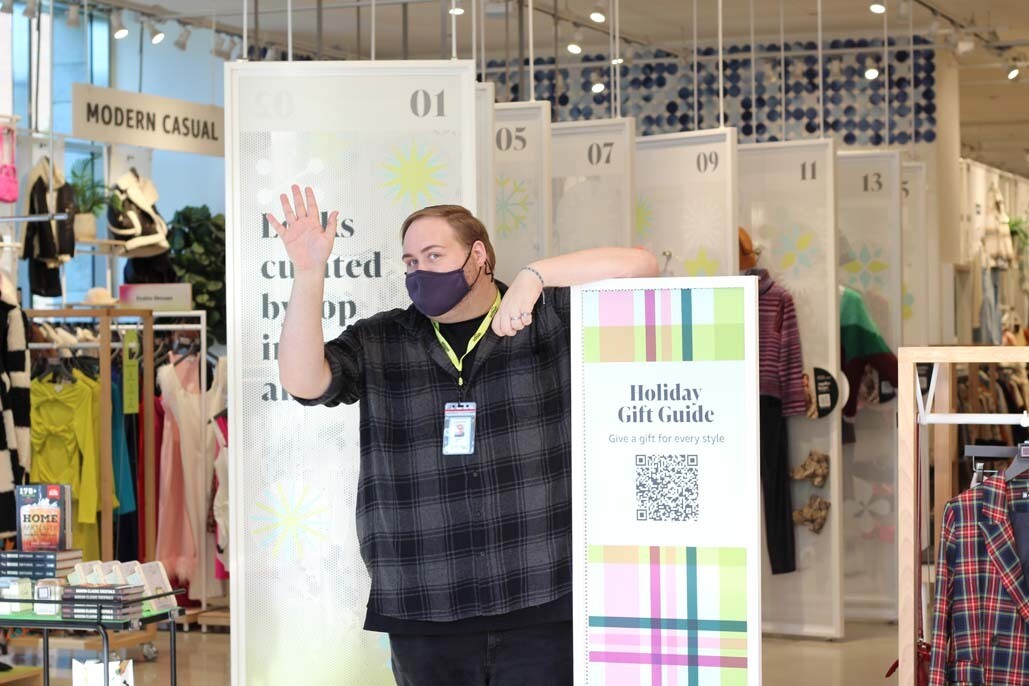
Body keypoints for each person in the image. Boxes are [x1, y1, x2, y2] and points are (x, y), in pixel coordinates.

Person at [268, 185, 658, 685]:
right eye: (410, 262)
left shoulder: (543, 320)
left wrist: (536, 277)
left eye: (434, 255)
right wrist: (308, 273)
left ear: (478, 255)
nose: (420, 272)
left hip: (540, 599)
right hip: (423, 601)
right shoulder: (382, 338)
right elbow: (304, 381)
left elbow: (641, 264)